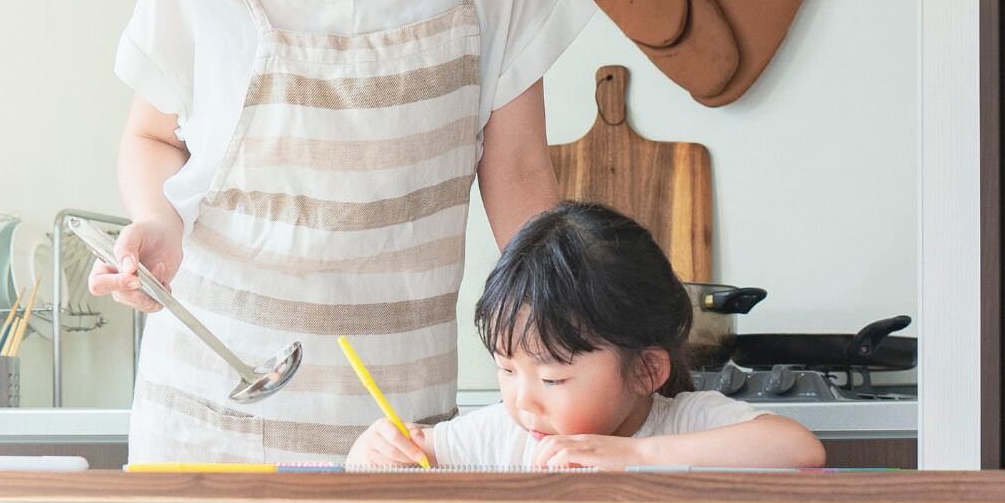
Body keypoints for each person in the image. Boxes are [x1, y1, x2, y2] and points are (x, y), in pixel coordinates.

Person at [88, 0, 600, 463]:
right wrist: (157, 220)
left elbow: (516, 172)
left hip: (399, 422)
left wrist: (566, 352)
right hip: (210, 413)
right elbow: (150, 136)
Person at [347, 202, 826, 469]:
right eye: (507, 369)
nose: (523, 401)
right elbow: (402, 458)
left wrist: (635, 454)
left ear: (645, 370)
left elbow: (799, 448)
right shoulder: (504, 434)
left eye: (552, 380)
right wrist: (371, 452)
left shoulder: (683, 423)